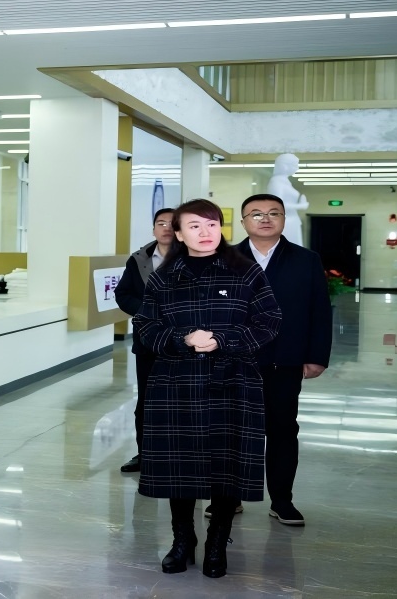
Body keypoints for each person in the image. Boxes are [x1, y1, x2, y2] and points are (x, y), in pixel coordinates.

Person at [133, 198, 281, 579]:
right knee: (179, 468)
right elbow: (145, 326)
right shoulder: (163, 277)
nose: (205, 232)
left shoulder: (245, 272)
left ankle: (217, 542)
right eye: (195, 226)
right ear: (179, 234)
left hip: (232, 381)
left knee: (226, 466)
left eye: (212, 224)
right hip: (176, 383)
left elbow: (269, 320)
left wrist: (223, 340)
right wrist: (182, 339)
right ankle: (183, 540)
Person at [232, 193, 333, 527]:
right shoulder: (225, 259)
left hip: (284, 360)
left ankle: (281, 500)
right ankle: (229, 497)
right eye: (256, 213)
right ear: (243, 221)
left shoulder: (306, 260)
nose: (265, 218)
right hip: (234, 361)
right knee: (233, 431)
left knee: (282, 430)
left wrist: (316, 356)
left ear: (284, 220)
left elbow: (320, 311)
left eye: (273, 213)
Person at [114, 207, 176, 473]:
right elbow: (123, 294)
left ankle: (179, 455)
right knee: (147, 401)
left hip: (184, 343)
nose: (166, 228)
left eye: (172, 223)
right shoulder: (139, 259)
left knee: (181, 401)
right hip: (148, 341)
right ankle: (145, 455)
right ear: (153, 229)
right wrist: (147, 311)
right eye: (160, 223)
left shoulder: (194, 257)